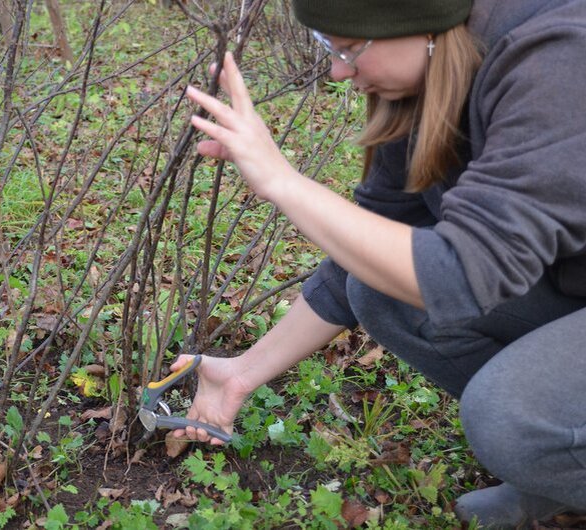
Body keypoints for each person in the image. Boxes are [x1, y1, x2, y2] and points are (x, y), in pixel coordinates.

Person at [170, 0, 586, 527]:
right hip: (570, 284)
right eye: (331, 46)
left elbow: (461, 273)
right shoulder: (428, 82)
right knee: (378, 289)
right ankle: (554, 469)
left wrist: (282, 181)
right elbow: (364, 258)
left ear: (419, 23)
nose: (338, 71)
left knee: (510, 420)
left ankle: (546, 445)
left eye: (351, 48)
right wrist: (240, 376)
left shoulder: (559, 59)